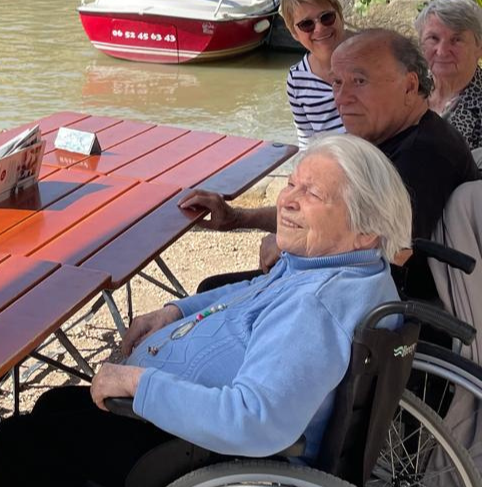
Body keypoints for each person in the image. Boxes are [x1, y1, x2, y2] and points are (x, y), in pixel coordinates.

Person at [0, 134, 409, 487]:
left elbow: (256, 420)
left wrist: (138, 382)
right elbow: (248, 293)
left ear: (366, 226)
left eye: (312, 194)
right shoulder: (347, 266)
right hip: (192, 428)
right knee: (53, 405)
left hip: (200, 453)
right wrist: (175, 311)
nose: (287, 201)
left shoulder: (315, 307)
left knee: (20, 441)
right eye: (292, 184)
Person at [182, 30, 479, 305]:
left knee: (212, 295)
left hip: (384, 313)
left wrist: (290, 247)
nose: (341, 98)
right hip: (353, 290)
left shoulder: (423, 156)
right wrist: (238, 217)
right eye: (337, 82)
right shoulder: (389, 138)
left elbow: (388, 253)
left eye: (359, 82)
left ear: (410, 86)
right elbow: (330, 215)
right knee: (213, 293)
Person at [280, 0, 349, 148]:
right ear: (294, 33)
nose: (319, 28)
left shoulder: (371, 57)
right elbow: (307, 143)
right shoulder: (297, 80)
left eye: (326, 17)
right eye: (306, 24)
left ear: (339, 14)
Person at [415, 0, 482, 152]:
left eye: (456, 40)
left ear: (479, 47)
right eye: (433, 38)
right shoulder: (407, 92)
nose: (442, 51)